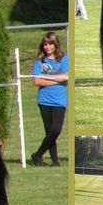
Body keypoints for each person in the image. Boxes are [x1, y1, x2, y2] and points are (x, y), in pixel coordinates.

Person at [30, 31, 67, 167]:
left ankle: (38, 154)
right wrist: (57, 80)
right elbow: (37, 81)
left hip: (59, 100)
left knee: (56, 130)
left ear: (55, 44)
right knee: (49, 131)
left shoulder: (63, 59)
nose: (47, 47)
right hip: (44, 100)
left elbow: (67, 76)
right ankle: (55, 161)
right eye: (45, 44)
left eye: (50, 44)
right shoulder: (39, 62)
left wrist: (48, 78)